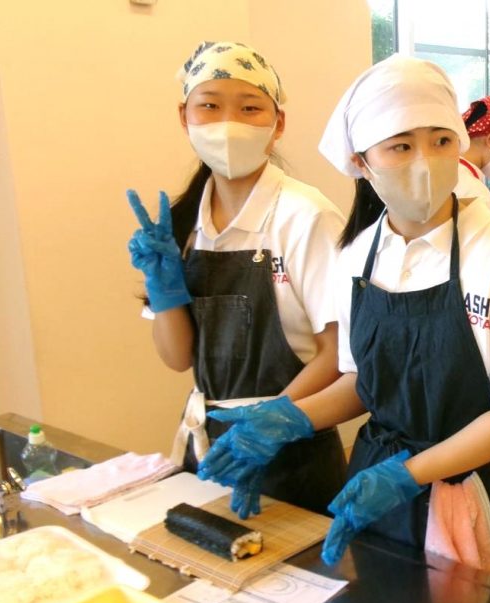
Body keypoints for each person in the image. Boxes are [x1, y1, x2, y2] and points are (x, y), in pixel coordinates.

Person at [198, 55, 490, 585]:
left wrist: (409, 474)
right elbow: (363, 383)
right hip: (374, 489)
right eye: (401, 146)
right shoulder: (357, 257)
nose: (425, 161)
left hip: (474, 494)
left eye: (441, 141)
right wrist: (290, 418)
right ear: (362, 162)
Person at [126, 40, 346, 516]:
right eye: (209, 106)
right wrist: (164, 290)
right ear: (184, 116)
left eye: (249, 108)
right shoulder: (183, 222)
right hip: (208, 442)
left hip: (293, 446)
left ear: (277, 123)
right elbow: (177, 357)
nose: (229, 123)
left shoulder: (305, 217)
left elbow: (338, 353)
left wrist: (269, 422)